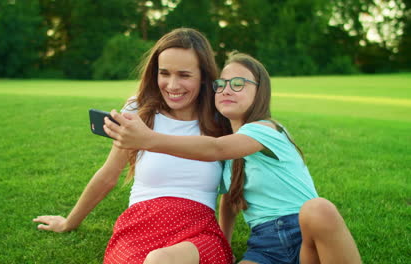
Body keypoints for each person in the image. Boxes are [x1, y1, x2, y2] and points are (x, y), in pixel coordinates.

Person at [104, 52, 362, 264]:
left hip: (304, 231)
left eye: (238, 84)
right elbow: (228, 200)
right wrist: (224, 244)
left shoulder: (266, 129)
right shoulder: (232, 153)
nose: (227, 90)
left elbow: (216, 148)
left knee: (318, 208)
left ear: (259, 92)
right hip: (265, 245)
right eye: (221, 84)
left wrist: (149, 140)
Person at [32, 28, 233, 264]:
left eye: (184, 75)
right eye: (164, 73)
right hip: (139, 227)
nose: (172, 84)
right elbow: (109, 175)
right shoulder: (138, 113)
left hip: (198, 232)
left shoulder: (221, 120)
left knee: (160, 260)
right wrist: (69, 222)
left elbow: (237, 189)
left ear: (204, 76)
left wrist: (226, 241)